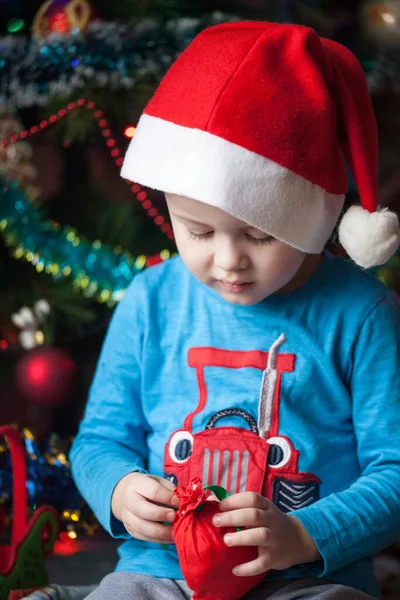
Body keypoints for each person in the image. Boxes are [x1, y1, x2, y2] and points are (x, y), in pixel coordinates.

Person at [70, 20, 400, 600]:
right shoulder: (149, 301)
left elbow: (395, 470)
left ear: (315, 216)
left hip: (307, 578)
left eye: (260, 235)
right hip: (159, 572)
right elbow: (98, 440)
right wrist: (120, 491)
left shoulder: (363, 313)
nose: (228, 261)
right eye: (197, 230)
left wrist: (303, 534)